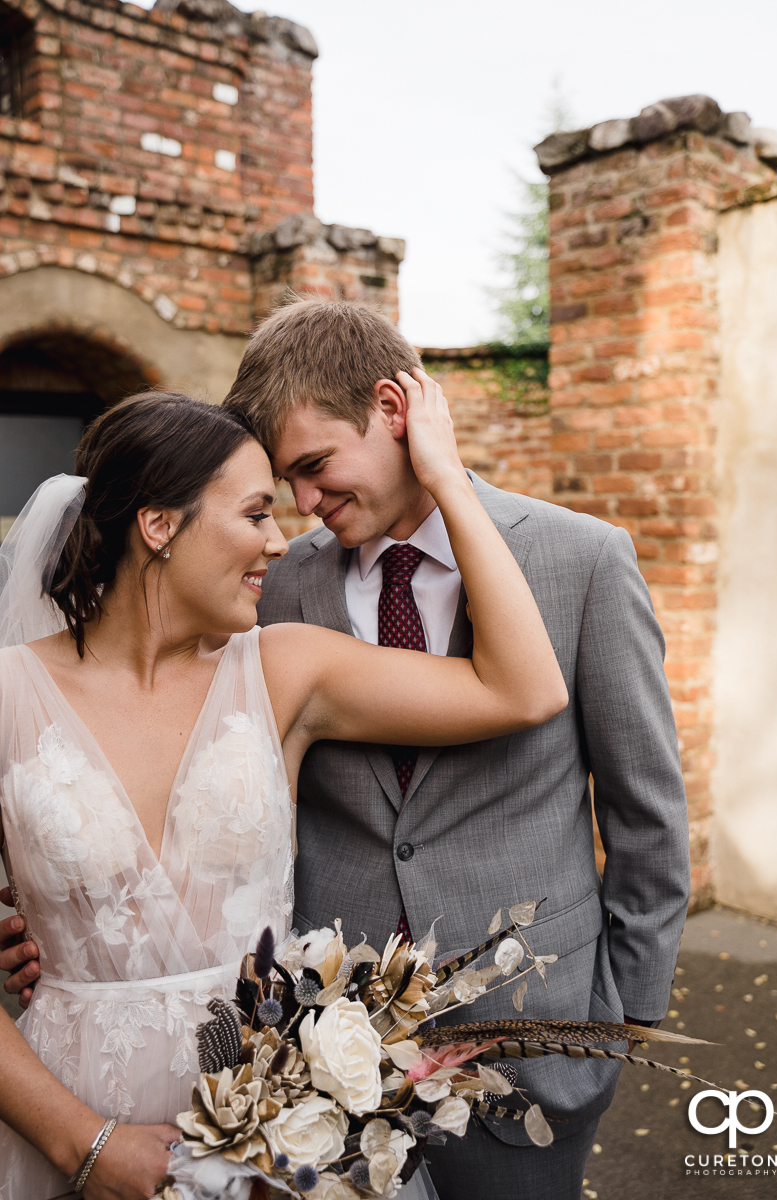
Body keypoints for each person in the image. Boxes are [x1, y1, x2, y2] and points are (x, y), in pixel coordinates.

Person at [0, 384, 566, 1200]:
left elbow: (524, 688)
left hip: (274, 1131)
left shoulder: (281, 668)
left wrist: (446, 479)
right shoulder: (10, 693)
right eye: (256, 512)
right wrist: (84, 1146)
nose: (279, 540)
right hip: (70, 1111)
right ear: (159, 525)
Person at [221, 300, 690, 1200]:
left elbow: (647, 812)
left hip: (536, 1042)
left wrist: (623, 1021)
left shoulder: (583, 561)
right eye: (289, 483)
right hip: (330, 1055)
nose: (306, 504)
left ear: (395, 408)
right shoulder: (276, 588)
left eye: (316, 466)